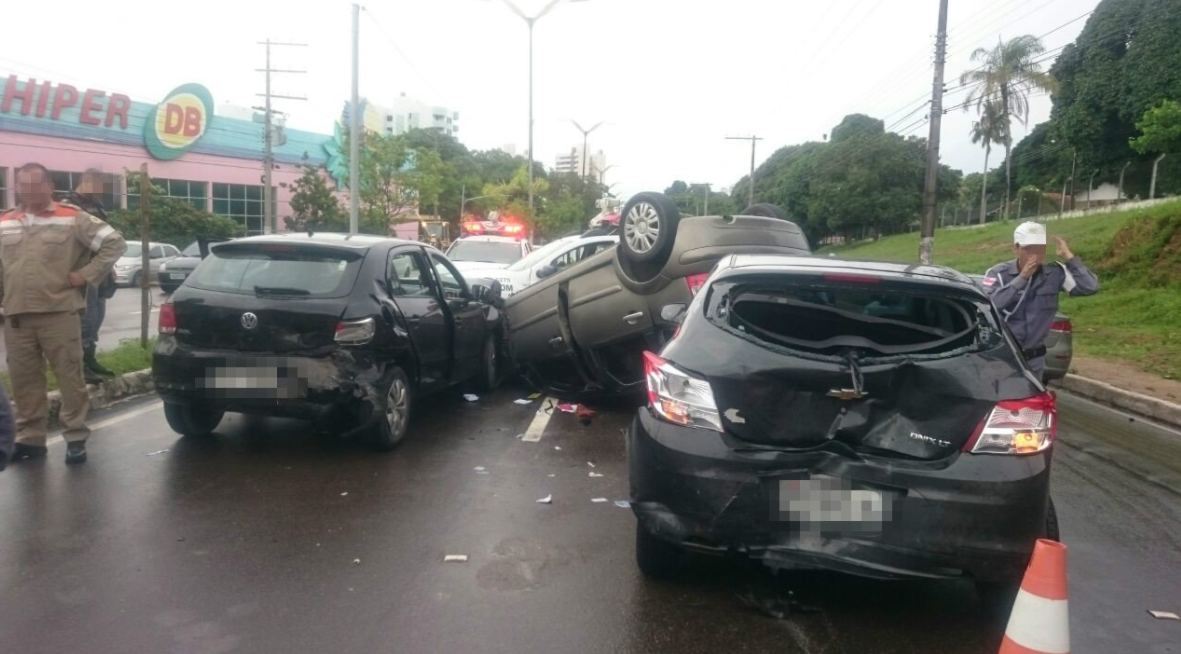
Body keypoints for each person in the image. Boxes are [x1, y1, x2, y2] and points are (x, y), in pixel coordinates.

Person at [0, 163, 127, 465]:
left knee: (70, 377)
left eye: (35, 184)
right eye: (23, 185)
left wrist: (86, 275)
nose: (29, 190)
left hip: (59, 313)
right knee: (24, 381)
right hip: (17, 317)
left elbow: (114, 243)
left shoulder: (71, 217)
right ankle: (31, 440)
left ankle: (75, 438)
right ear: (17, 187)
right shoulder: (5, 222)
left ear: (49, 186)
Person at [983, 221, 1100, 380]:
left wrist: (1069, 257)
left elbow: (1090, 287)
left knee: (1032, 396)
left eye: (1039, 249)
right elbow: (990, 305)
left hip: (1034, 361)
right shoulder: (998, 273)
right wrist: (1022, 278)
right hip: (1003, 358)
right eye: (1028, 249)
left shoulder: (1055, 273)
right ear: (1016, 249)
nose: (1035, 254)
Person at [66, 170, 120, 384]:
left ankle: (90, 358)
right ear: (87, 181)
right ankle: (81, 365)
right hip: (83, 270)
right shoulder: (69, 206)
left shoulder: (97, 206)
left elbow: (105, 239)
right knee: (85, 319)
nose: (101, 191)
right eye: (99, 186)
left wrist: (110, 266)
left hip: (100, 269)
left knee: (97, 315)